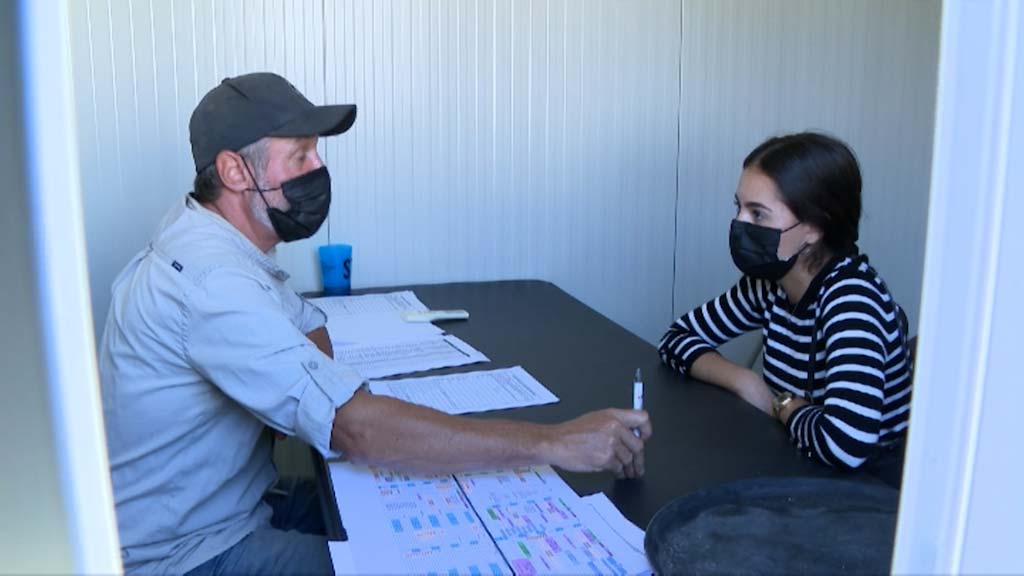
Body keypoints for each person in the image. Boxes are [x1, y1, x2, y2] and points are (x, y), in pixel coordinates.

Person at [99, 72, 651, 575]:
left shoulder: (209, 233)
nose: (318, 169)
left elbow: (314, 338)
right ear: (234, 171)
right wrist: (553, 442)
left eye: (316, 152)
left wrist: (319, 391)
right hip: (189, 553)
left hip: (237, 505)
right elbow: (353, 429)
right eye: (300, 156)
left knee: (425, 509)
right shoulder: (207, 278)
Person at [658, 132, 911, 485]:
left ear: (813, 229)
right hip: (798, 464)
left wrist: (782, 405)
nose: (741, 224)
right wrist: (746, 382)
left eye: (758, 214)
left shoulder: (853, 301)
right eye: (739, 208)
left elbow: (845, 444)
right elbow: (676, 338)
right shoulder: (769, 282)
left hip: (867, 491)